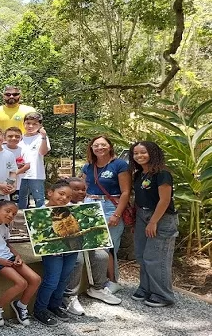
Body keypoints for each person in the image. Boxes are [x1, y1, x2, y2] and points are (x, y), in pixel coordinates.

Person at [62, 177, 121, 316]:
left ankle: (97, 288)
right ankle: (69, 295)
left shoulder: (87, 206)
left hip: (86, 243)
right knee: (78, 260)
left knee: (101, 255)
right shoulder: (60, 206)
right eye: (76, 189)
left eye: (83, 189)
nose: (81, 192)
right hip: (68, 246)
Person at [0, 200, 40, 327]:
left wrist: (17, 255)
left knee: (36, 279)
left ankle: (21, 305)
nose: (11, 215)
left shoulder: (4, 227)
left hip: (8, 257)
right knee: (21, 283)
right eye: (8, 211)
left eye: (14, 213)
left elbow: (6, 244)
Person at [130, 141, 177, 307]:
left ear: (153, 153)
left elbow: (164, 200)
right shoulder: (139, 174)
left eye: (143, 152)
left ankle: (163, 294)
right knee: (142, 254)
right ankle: (146, 288)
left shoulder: (162, 174)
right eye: (136, 153)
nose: (139, 156)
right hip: (143, 215)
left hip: (161, 217)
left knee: (156, 257)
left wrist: (153, 222)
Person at [81, 135, 131, 292]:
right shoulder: (88, 167)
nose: (99, 148)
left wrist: (117, 214)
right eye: (96, 145)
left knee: (109, 244)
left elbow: (126, 192)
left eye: (103, 145)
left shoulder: (119, 165)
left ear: (110, 146)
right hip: (89, 204)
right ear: (91, 148)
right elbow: (83, 188)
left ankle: (113, 280)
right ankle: (97, 280)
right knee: (93, 243)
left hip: (110, 205)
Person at [32, 181, 80, 326]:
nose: (65, 198)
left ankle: (55, 305)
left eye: (69, 196)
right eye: (61, 194)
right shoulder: (39, 212)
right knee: (52, 280)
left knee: (64, 279)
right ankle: (40, 309)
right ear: (50, 192)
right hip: (52, 253)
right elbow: (38, 236)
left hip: (71, 249)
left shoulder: (73, 211)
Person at [16, 112, 50, 209]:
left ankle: (41, 221)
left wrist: (43, 136)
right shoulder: (19, 138)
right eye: (28, 123)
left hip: (36, 174)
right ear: (24, 124)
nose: (30, 126)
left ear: (40, 125)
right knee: (21, 199)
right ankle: (20, 221)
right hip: (20, 174)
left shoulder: (41, 138)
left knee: (39, 199)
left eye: (34, 124)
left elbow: (43, 152)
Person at [3, 127, 30, 203]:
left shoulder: (24, 150)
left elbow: (27, 166)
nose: (14, 138)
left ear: (21, 138)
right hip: (2, 184)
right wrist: (16, 167)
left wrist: (13, 173)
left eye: (17, 136)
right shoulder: (0, 149)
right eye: (10, 136)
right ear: (4, 137)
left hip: (19, 185)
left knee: (19, 207)